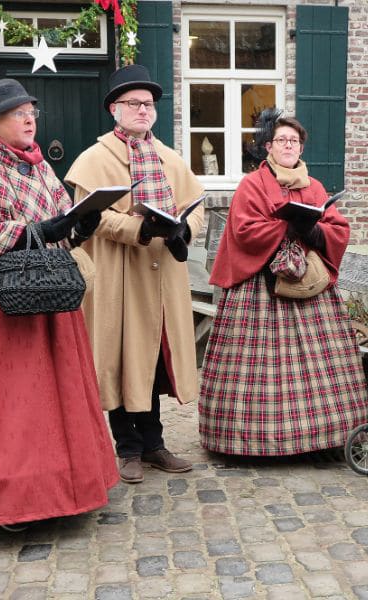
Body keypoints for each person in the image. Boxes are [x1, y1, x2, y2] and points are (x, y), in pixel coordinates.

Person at [0, 78, 118, 529]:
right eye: (18, 114)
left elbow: (56, 220)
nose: (30, 119)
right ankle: (4, 499)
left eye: (32, 111)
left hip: (46, 298)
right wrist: (35, 232)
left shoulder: (37, 165)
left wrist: (77, 226)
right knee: (5, 402)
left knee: (53, 398)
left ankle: (60, 488)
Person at [199, 109, 367, 456]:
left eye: (294, 140)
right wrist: (285, 227)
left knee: (321, 366)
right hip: (259, 287)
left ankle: (324, 437)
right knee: (260, 371)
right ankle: (250, 441)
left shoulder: (315, 186)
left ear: (301, 148)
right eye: (281, 140)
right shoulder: (252, 184)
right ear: (268, 147)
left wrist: (313, 230)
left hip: (307, 287)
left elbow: (338, 229)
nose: (288, 145)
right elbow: (243, 230)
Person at [65, 65, 205, 484]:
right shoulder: (94, 159)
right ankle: (127, 448)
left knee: (155, 361)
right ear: (114, 109)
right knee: (122, 358)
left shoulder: (169, 158)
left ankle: (154, 444)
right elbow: (90, 216)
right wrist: (138, 228)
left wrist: (184, 232)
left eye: (149, 104)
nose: (143, 110)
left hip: (162, 277)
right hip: (119, 276)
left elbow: (194, 207)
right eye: (134, 103)